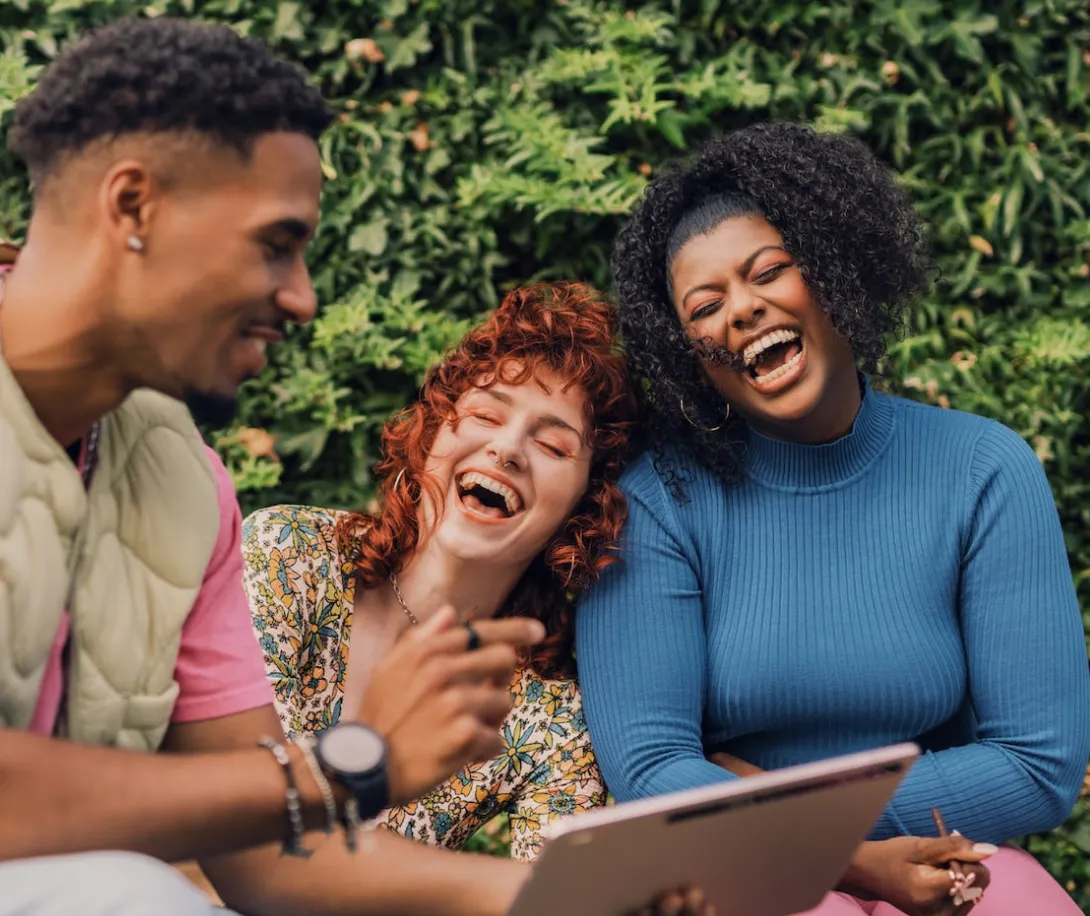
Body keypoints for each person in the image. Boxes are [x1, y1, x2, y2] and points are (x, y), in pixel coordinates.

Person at [0, 16, 578, 916]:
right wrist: (351, 765)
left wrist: (564, 899)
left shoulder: (187, 490)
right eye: (276, 243)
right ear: (132, 206)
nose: (303, 297)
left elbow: (265, 859)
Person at [576, 122, 1090, 916]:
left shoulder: (984, 471)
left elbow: (1037, 765)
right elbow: (650, 769)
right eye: (704, 306)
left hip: (937, 854)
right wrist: (848, 862)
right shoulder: (656, 500)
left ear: (837, 268)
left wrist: (790, 808)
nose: (741, 310)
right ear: (689, 354)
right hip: (733, 866)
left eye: (770, 271)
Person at [243, 283, 629, 860]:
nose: (507, 449)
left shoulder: (547, 719)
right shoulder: (291, 553)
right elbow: (231, 833)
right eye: (484, 414)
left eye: (553, 446)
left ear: (585, 504)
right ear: (431, 434)